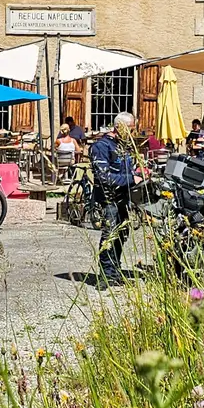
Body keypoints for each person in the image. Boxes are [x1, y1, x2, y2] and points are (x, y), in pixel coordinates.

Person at [88, 112, 137, 285]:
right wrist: (132, 179)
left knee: (121, 235)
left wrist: (137, 173)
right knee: (110, 236)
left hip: (123, 198)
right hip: (108, 200)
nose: (133, 133)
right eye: (131, 129)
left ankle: (115, 273)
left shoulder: (122, 146)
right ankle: (106, 275)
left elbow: (126, 170)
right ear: (118, 127)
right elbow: (104, 178)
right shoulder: (101, 147)